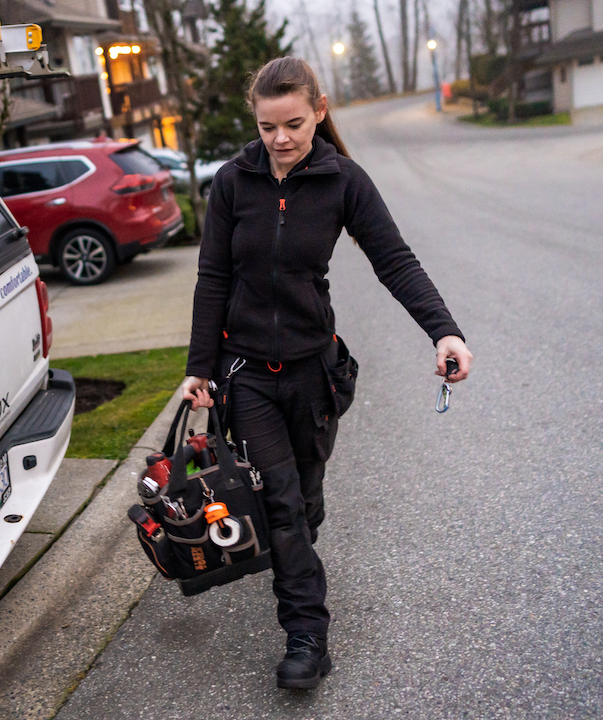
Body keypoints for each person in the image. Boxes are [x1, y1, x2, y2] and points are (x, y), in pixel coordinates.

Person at [181, 57, 473, 690]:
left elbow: (394, 261)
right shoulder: (233, 183)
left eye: (293, 123)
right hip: (248, 375)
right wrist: (199, 368)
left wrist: (444, 330)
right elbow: (212, 278)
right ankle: (307, 635)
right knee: (281, 506)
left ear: (319, 109)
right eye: (266, 127)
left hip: (315, 373)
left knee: (305, 504)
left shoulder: (344, 181)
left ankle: (295, 557)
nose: (280, 140)